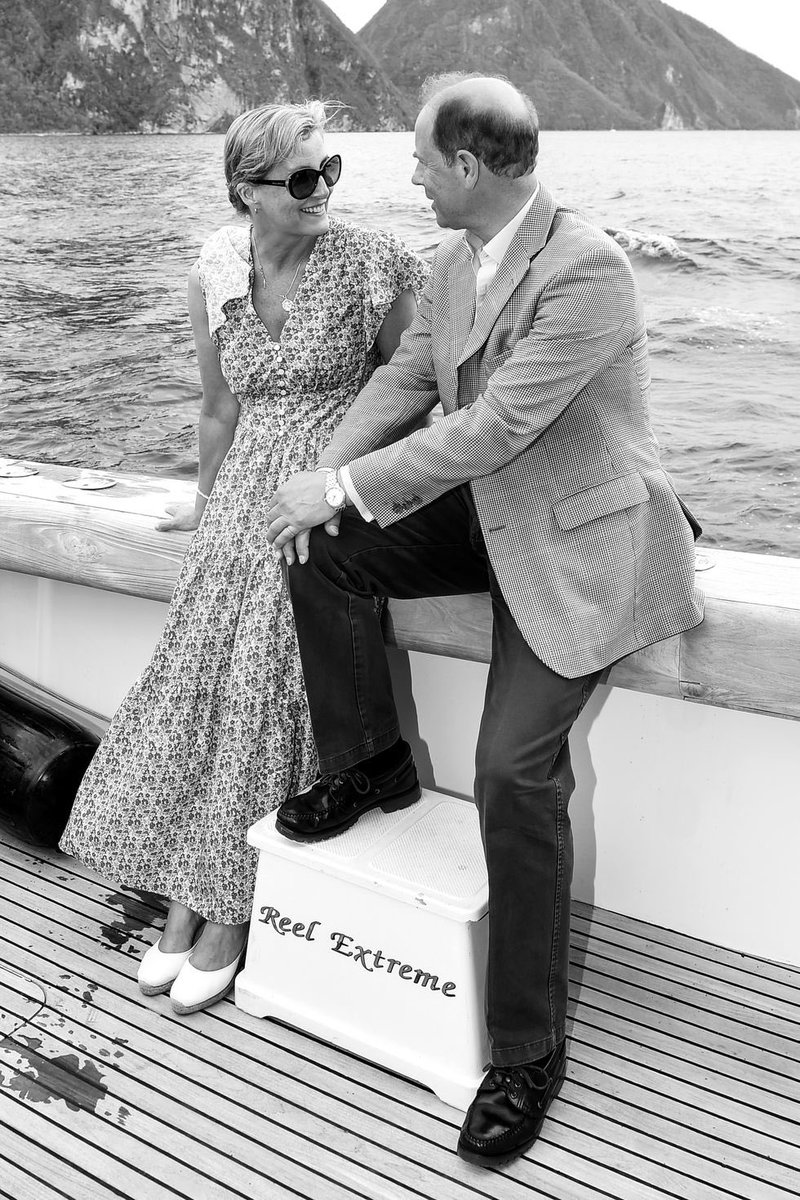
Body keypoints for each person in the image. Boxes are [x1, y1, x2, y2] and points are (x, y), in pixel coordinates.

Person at [264, 75, 704, 1166]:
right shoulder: (455, 264)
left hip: (579, 537)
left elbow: (495, 428)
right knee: (323, 556)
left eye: (419, 159)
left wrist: (345, 485)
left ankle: (524, 1051)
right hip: (487, 516)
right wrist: (322, 479)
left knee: (512, 771)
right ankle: (368, 764)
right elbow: (411, 376)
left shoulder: (588, 270)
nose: (407, 175)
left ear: (465, 167)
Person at [59, 100, 428, 1016]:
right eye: (301, 179)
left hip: (329, 493)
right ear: (246, 192)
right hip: (243, 496)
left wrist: (344, 483)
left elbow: (416, 391)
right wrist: (204, 503)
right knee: (194, 681)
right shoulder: (217, 268)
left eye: (330, 170)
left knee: (264, 675)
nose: (323, 192)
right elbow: (219, 407)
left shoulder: (375, 260)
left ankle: (223, 908)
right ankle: (188, 889)